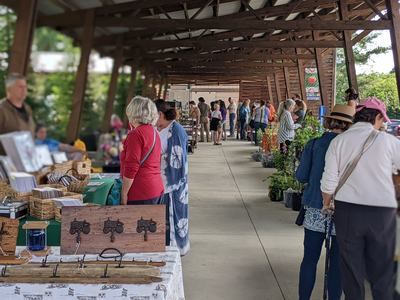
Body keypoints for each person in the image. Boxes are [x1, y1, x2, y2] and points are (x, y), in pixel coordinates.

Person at [321, 97, 399, 300]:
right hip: (382, 213)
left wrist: (327, 204)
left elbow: (329, 182)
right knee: (382, 272)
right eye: (382, 121)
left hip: (347, 211)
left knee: (351, 271)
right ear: (378, 117)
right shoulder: (389, 141)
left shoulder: (339, 141)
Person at [296, 104, 356, 300]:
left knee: (310, 260)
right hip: (344, 211)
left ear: (329, 122)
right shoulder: (353, 148)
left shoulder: (314, 144)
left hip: (315, 207)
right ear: (350, 125)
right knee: (337, 264)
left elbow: (302, 176)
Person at [155, 99, 190, 256]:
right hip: (167, 181)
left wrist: (170, 183)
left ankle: (175, 248)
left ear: (160, 114)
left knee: (174, 216)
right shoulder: (168, 129)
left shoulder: (175, 131)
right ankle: (175, 246)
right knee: (173, 217)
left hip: (172, 183)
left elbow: (178, 160)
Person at [120, 96, 164, 206]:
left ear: (133, 112)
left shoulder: (136, 134)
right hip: (156, 188)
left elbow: (132, 166)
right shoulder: (154, 132)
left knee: (137, 223)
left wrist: (124, 193)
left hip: (140, 192)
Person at [0, 73, 35, 154]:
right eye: (20, 87)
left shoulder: (27, 109)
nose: (24, 90)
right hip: (5, 163)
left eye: (25, 86)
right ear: (9, 89)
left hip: (27, 161)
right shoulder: (1, 110)